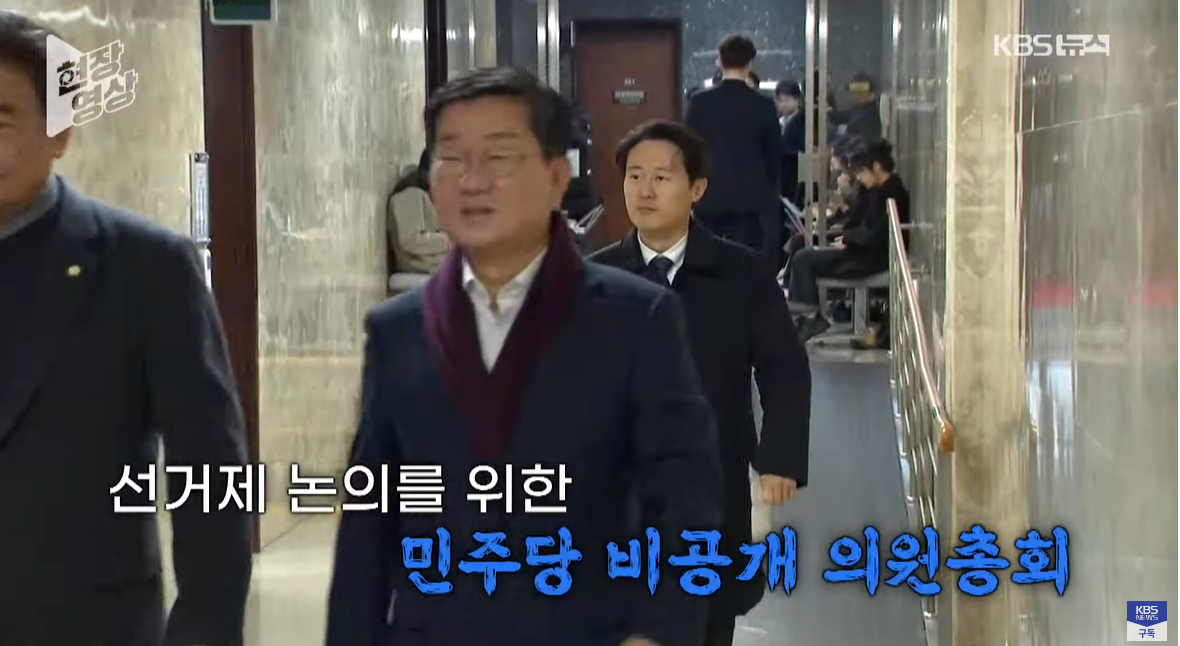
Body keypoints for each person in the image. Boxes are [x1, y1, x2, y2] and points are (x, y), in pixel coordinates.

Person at [325, 67, 723, 646]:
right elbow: (369, 525)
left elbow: (687, 503)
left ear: (557, 177)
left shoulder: (635, 320)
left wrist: (658, 634)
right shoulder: (399, 330)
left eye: (500, 157)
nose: (472, 181)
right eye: (451, 158)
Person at [0, 11, 252, 646]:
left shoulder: (147, 267)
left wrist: (203, 632)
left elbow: (211, 474)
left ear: (60, 130)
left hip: (84, 625)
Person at [590, 120, 811, 646]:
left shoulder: (742, 274)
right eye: (634, 176)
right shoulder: (596, 279)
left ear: (696, 189)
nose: (644, 190)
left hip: (714, 473)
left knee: (708, 613)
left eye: (661, 177)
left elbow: (783, 366)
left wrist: (779, 457)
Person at [788, 140, 910, 342]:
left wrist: (848, 238)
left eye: (861, 172)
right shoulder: (873, 191)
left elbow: (875, 235)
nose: (859, 178)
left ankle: (809, 316)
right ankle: (806, 316)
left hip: (870, 258)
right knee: (803, 256)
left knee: (804, 259)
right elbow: (856, 222)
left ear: (876, 167)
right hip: (858, 251)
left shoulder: (892, 194)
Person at [686, 34, 782, 261]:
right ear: (750, 64)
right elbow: (773, 157)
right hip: (749, 202)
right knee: (742, 262)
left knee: (706, 261)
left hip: (707, 197)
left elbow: (688, 149)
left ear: (719, 61)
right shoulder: (763, 105)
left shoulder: (699, 102)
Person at [388, 147, 450, 274]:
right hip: (421, 266)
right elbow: (411, 240)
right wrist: (450, 240)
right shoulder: (410, 195)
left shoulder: (426, 196)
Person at [774, 80, 804, 204]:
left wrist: (779, 149)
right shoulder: (777, 121)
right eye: (780, 100)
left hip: (793, 176)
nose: (783, 104)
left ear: (797, 99)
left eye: (786, 100)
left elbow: (802, 149)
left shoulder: (803, 122)